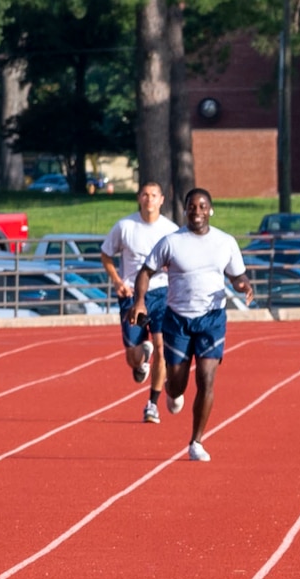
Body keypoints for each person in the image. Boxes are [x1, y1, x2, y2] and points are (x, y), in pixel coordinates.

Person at [130, 188, 254, 463]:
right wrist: (139, 301)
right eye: (191, 207)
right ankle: (173, 393)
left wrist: (243, 283)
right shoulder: (171, 242)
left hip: (212, 319)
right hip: (178, 319)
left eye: (202, 207)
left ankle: (196, 441)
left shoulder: (225, 242)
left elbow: (237, 275)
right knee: (176, 385)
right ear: (185, 210)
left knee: (207, 379)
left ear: (210, 210)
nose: (196, 212)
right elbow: (145, 272)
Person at [100, 180, 180, 424]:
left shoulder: (171, 230)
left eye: (153, 195)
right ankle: (140, 361)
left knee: (162, 346)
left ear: (161, 199)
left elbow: (180, 262)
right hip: (131, 296)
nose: (149, 199)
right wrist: (117, 281)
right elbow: (106, 254)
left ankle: (152, 404)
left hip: (161, 293)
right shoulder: (125, 226)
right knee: (132, 355)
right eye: (145, 195)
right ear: (139, 198)